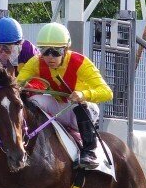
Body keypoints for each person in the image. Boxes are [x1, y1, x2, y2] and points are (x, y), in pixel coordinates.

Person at [16, 22, 111, 170]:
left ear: (66, 50)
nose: (50, 57)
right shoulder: (35, 62)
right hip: (58, 106)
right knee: (33, 101)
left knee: (79, 105)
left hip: (80, 110)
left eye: (56, 51)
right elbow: (17, 84)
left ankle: (90, 151)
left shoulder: (81, 63)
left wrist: (83, 94)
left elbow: (107, 93)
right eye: (45, 51)